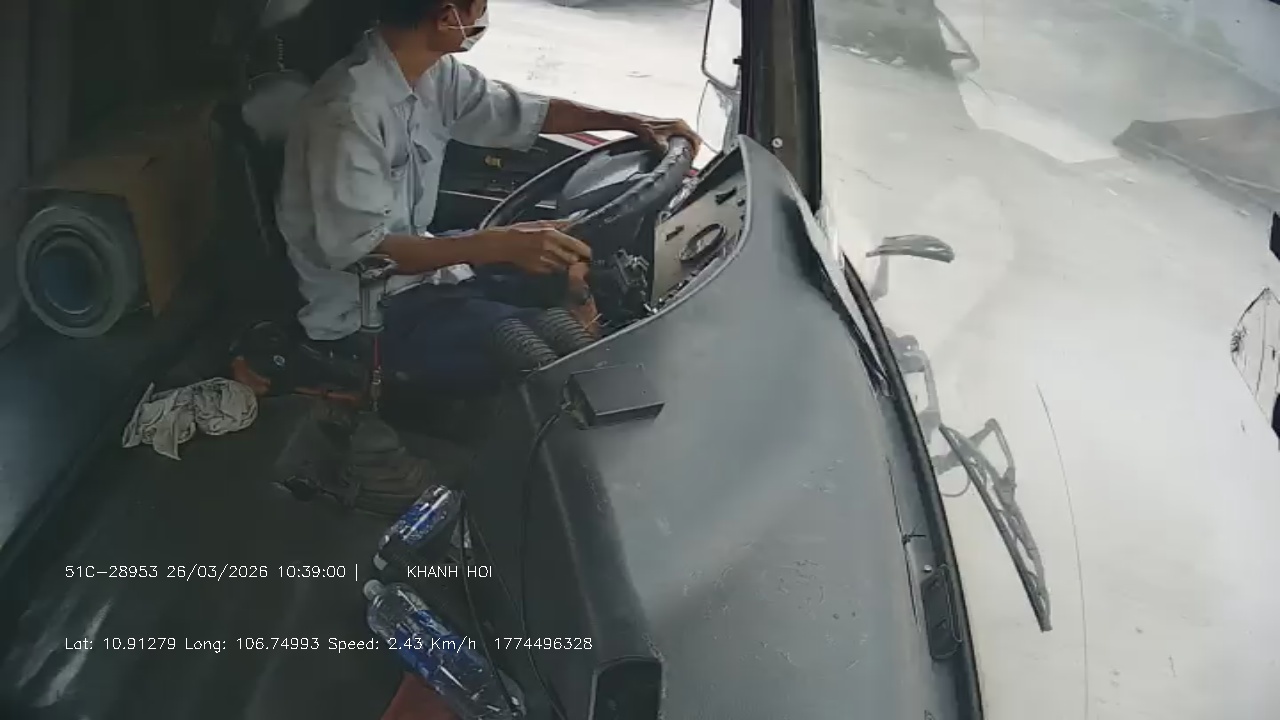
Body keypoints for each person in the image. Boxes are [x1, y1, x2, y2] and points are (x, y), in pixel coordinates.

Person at [276, 0, 699, 389]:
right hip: (364, 310)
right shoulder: (346, 114)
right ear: (447, 18)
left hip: (424, 272)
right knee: (539, 352)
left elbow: (518, 112)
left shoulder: (433, 75)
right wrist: (493, 245)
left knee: (567, 270)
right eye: (478, 6)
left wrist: (628, 122)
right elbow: (364, 252)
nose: (483, 15)